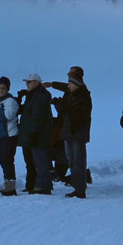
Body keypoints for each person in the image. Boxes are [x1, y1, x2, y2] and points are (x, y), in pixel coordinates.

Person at [46, 66, 93, 199]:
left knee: (78, 161)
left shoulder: (82, 95)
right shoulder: (72, 94)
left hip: (77, 134)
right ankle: (77, 186)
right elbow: (65, 96)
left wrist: (59, 103)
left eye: (71, 78)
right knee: (71, 160)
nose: (68, 83)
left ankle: (80, 189)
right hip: (69, 133)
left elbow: (73, 112)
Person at [17, 73, 56, 195]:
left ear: (37, 82)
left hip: (39, 135)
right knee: (37, 160)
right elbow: (24, 111)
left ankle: (43, 186)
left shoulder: (39, 96)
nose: (27, 84)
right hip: (36, 134)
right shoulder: (34, 96)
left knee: (40, 160)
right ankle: (40, 184)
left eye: (29, 82)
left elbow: (38, 117)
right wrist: (20, 98)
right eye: (26, 82)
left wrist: (32, 133)